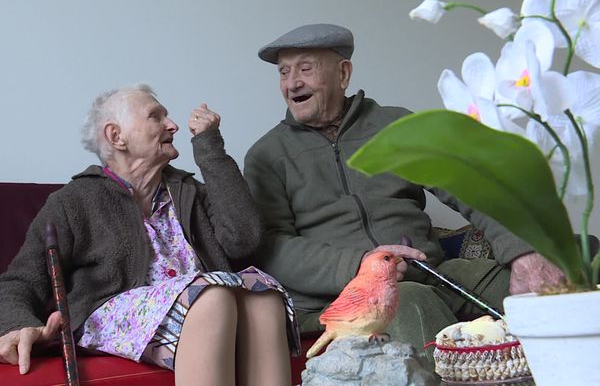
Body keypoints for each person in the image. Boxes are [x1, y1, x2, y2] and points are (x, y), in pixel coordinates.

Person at [243, 23, 565, 367]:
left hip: (436, 273)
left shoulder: (395, 126)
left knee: (572, 268)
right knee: (409, 301)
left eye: (305, 69)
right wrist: (361, 268)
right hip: (345, 303)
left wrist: (524, 250)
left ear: (343, 73)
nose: (292, 83)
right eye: (284, 72)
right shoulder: (267, 155)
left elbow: (472, 185)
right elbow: (271, 246)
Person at [0, 84, 299, 386]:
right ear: (116, 136)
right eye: (155, 117)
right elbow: (21, 280)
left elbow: (244, 239)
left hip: (203, 302)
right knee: (211, 299)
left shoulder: (188, 191)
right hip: (120, 312)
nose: (173, 125)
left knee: (263, 297)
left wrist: (210, 147)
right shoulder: (75, 201)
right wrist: (16, 324)